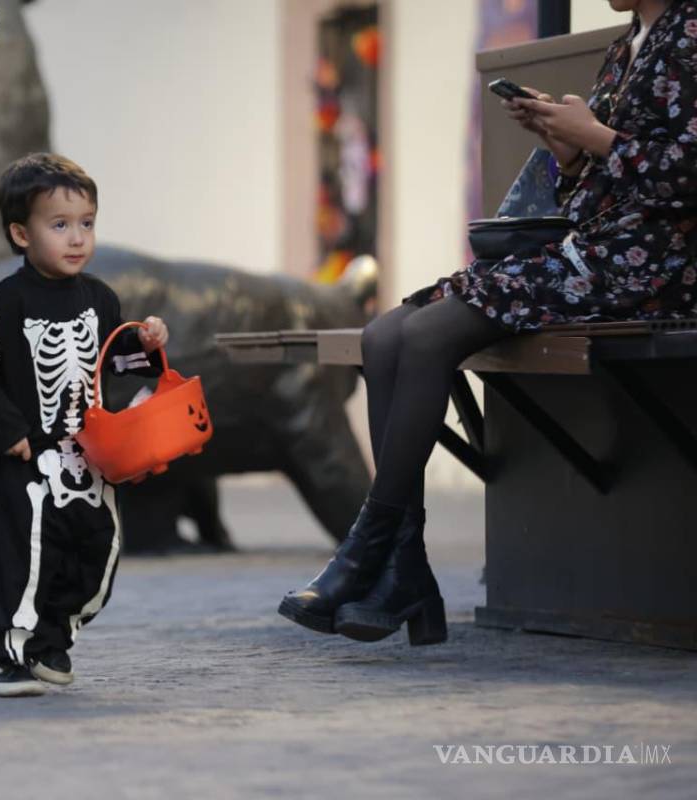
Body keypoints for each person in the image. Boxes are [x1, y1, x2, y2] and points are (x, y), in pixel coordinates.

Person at [279, 0, 697, 646]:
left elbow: (683, 177)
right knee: (384, 332)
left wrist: (594, 138)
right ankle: (405, 569)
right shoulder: (626, 46)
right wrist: (568, 151)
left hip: (652, 268)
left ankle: (368, 555)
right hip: (593, 250)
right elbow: (610, 182)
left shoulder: (692, 31)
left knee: (424, 334)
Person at [0, 154, 170, 696]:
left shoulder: (99, 298)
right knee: (20, 553)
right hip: (29, 452)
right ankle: (0, 653)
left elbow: (113, 360)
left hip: (92, 451)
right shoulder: (6, 300)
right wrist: (8, 433)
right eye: (60, 225)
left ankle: (51, 637)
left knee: (99, 550)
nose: (77, 239)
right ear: (22, 234)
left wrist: (145, 345)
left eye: (87, 224)